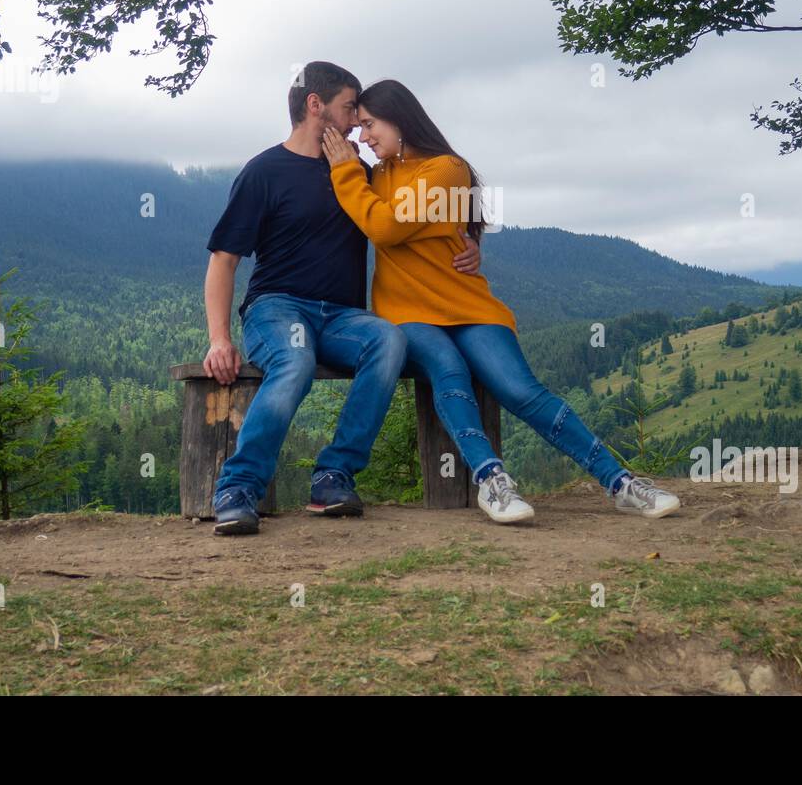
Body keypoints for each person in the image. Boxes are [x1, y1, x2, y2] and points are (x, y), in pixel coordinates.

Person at [321, 79, 681, 524]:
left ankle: (619, 482)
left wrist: (346, 173)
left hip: (468, 306)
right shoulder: (376, 173)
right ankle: (493, 481)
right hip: (407, 313)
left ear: (401, 118)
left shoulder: (446, 168)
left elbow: (387, 227)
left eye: (371, 124)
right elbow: (412, 228)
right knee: (447, 370)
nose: (363, 136)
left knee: (520, 390)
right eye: (359, 127)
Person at [202, 62, 481, 535]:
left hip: (343, 317)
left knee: (389, 341)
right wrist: (218, 339)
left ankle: (334, 476)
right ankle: (238, 487)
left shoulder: (361, 172)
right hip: (278, 307)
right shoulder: (264, 172)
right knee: (295, 362)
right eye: (350, 107)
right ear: (316, 106)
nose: (356, 121)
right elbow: (223, 261)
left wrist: (470, 241)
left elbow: (420, 211)